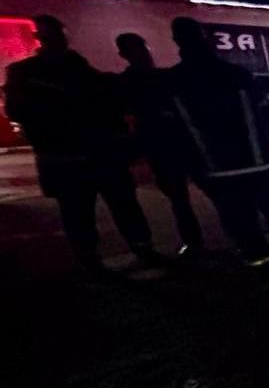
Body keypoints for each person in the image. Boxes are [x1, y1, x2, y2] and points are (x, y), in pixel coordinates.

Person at [3, 15, 155, 271]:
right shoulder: (44, 72)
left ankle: (109, 256)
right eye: (51, 36)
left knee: (92, 211)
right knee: (97, 210)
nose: (57, 41)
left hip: (79, 156)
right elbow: (18, 110)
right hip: (80, 156)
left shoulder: (39, 72)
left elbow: (17, 111)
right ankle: (118, 253)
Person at [166, 17, 269, 268]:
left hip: (218, 170)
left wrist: (195, 168)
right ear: (205, 38)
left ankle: (260, 263)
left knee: (241, 221)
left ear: (177, 41)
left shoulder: (174, 82)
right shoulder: (238, 75)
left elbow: (173, 132)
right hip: (260, 164)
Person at [115, 32, 203, 255]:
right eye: (135, 49)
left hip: (186, 143)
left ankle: (202, 240)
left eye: (143, 47)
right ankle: (194, 241)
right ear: (124, 54)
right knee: (179, 198)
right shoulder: (128, 84)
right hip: (163, 148)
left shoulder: (165, 77)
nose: (143, 53)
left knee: (206, 191)